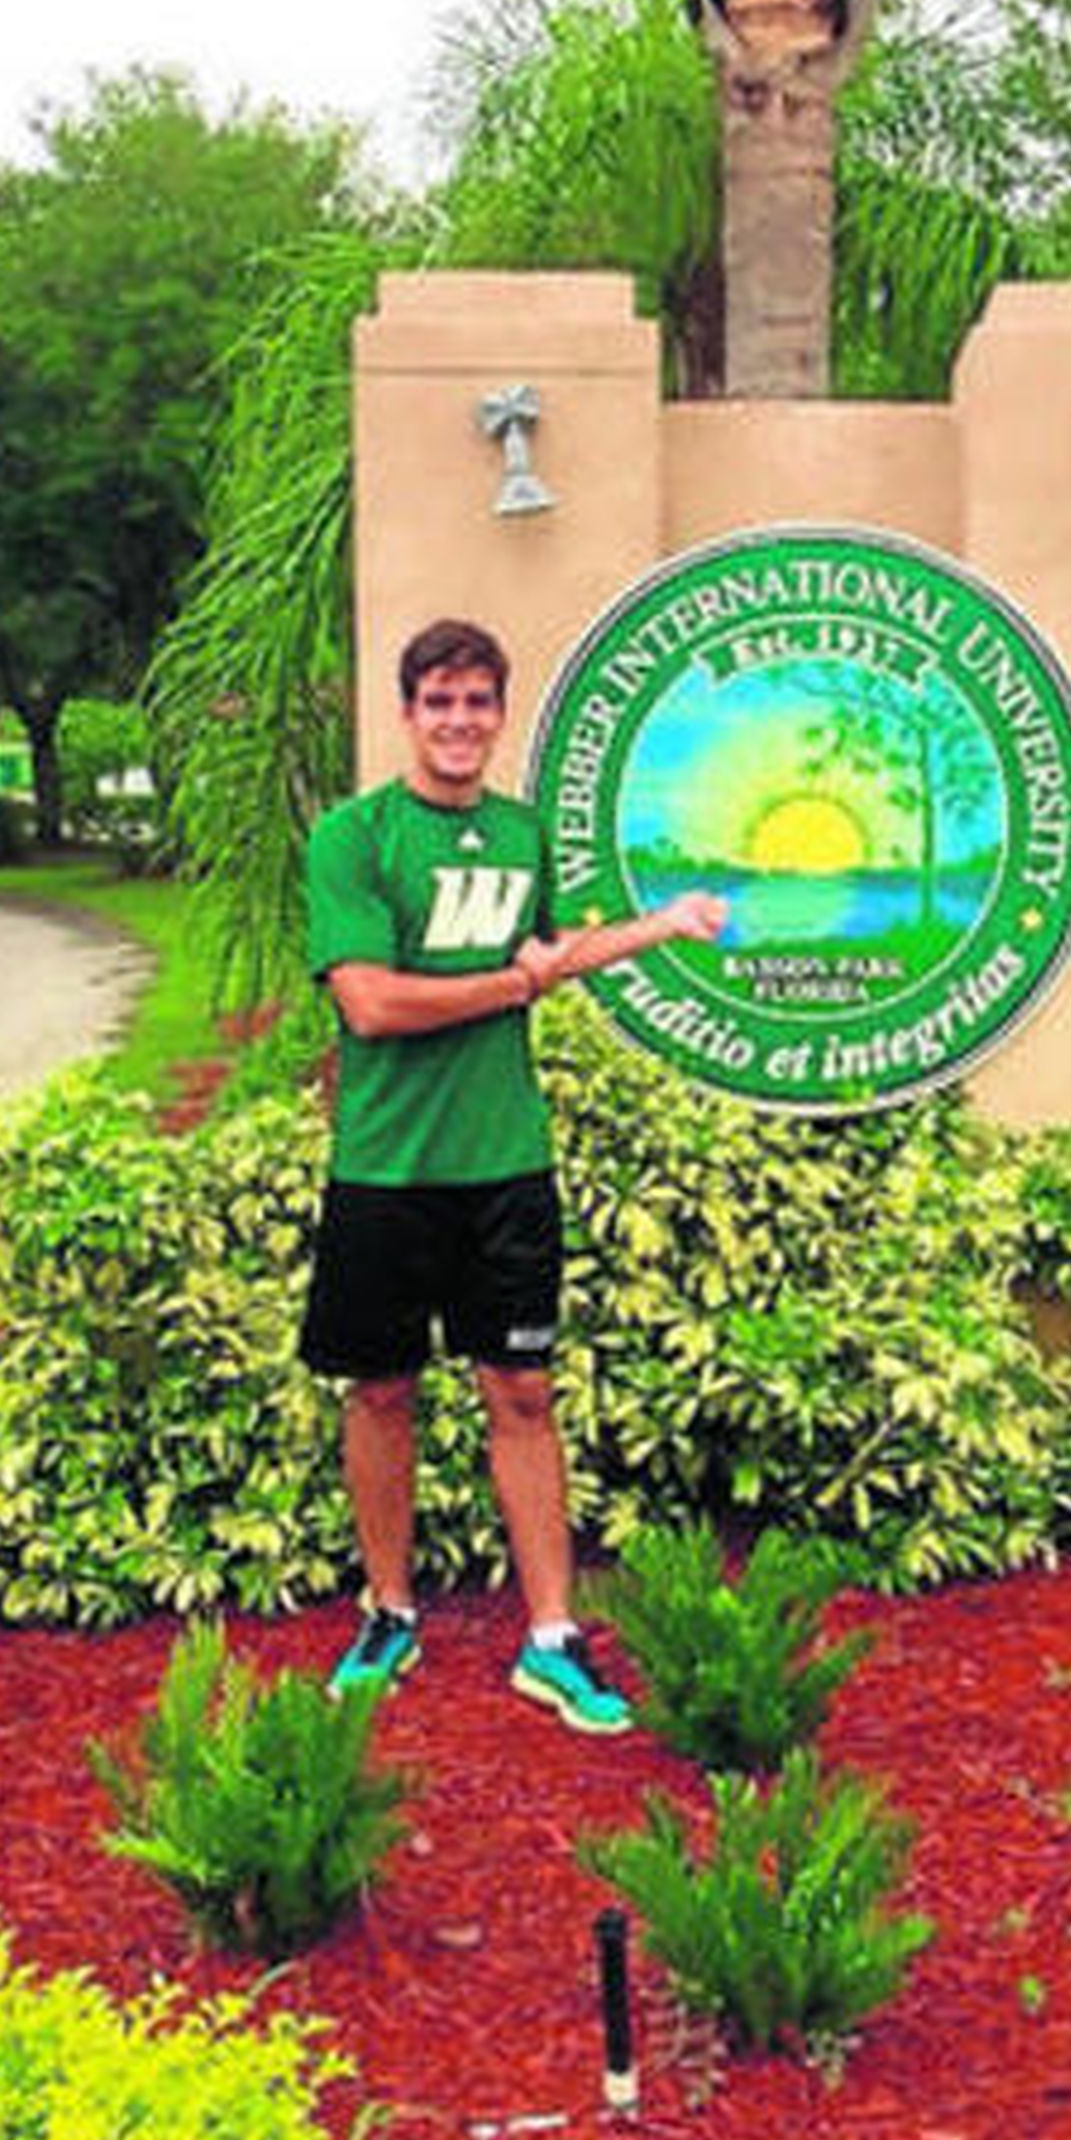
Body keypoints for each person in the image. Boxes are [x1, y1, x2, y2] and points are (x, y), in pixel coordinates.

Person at [300, 617, 726, 1726]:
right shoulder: (354, 837)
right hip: (386, 1169)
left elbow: (547, 956)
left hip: (505, 1164)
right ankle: (388, 1611)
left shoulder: (521, 833)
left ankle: (550, 1635)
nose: (458, 720)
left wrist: (659, 925)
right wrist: (509, 987)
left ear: (499, 714)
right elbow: (372, 1002)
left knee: (523, 1392)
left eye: (477, 701)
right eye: (437, 701)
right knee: (381, 1388)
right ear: (407, 714)